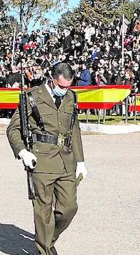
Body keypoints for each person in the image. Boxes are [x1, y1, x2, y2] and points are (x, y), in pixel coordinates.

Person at [6, 62, 86, 255]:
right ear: (51, 79)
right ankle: (45, 250)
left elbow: (74, 129)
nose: (65, 90)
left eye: (68, 86)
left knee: (69, 208)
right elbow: (13, 129)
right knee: (43, 211)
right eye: (61, 86)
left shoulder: (71, 97)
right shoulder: (32, 97)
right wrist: (23, 152)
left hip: (66, 160)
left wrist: (81, 160)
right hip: (41, 160)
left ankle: (47, 238)